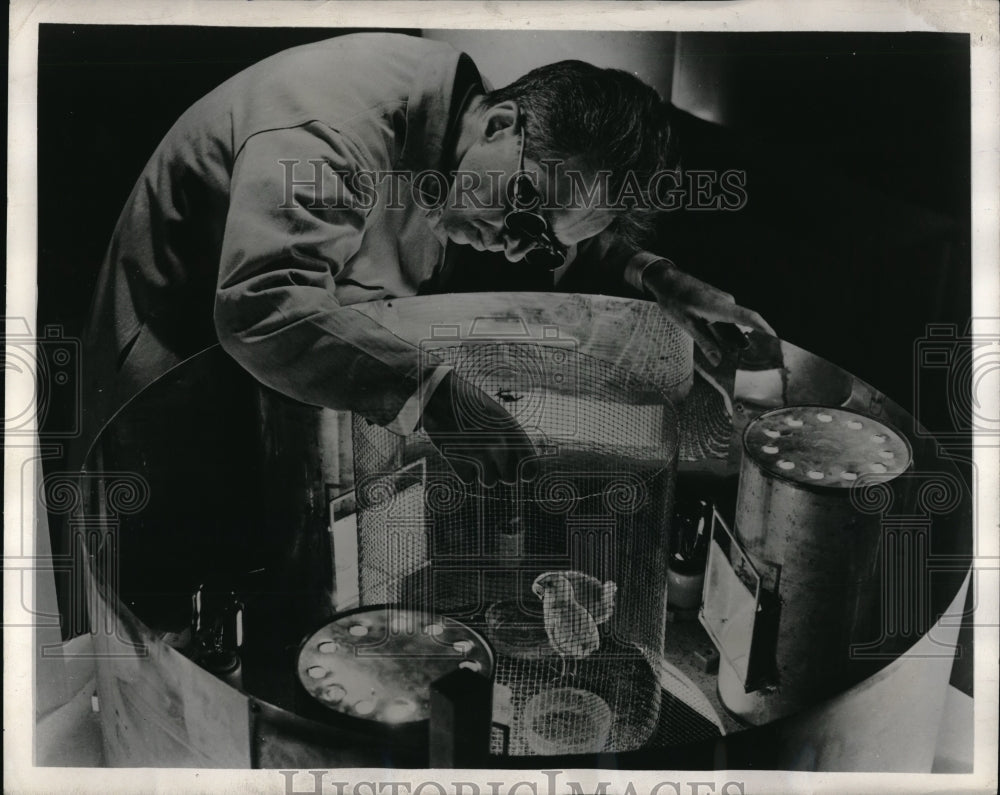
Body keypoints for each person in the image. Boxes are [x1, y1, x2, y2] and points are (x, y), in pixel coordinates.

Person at [83, 32, 772, 483]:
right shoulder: (332, 126)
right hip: (180, 364)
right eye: (524, 206)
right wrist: (436, 395)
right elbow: (264, 308)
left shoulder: (473, 132)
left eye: (544, 240)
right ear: (502, 126)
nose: (516, 244)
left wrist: (659, 277)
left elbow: (568, 228)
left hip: (301, 357)